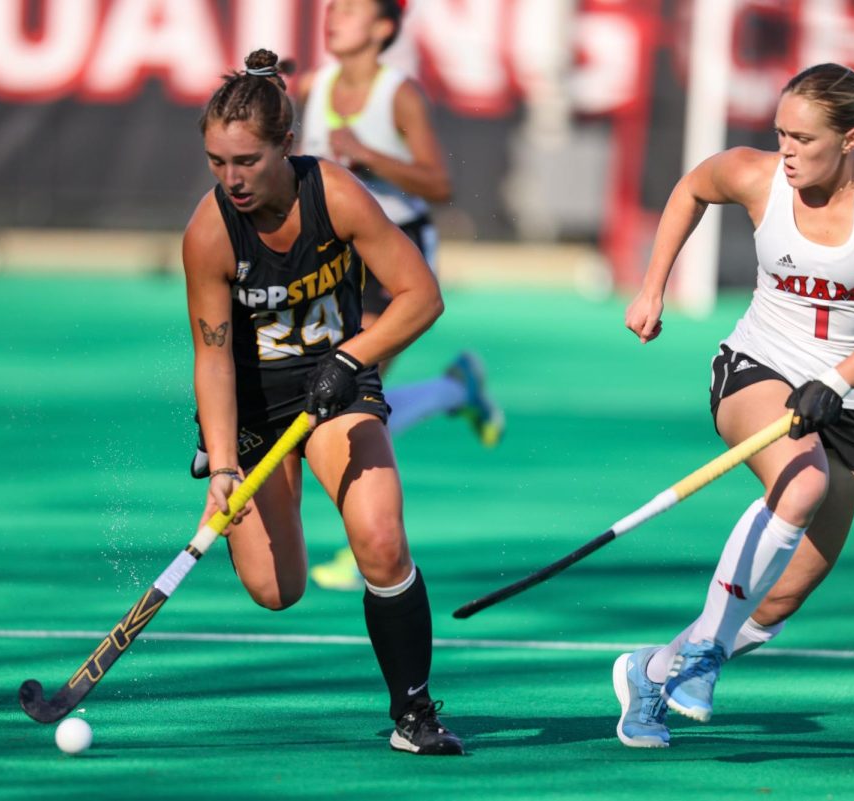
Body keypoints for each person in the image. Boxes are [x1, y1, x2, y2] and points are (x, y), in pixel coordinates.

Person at [183, 47, 464, 756]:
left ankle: (414, 710)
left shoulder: (332, 194)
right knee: (277, 590)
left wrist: (351, 356)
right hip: (254, 405)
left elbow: (421, 295)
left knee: (379, 536)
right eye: (217, 162)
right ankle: (231, 467)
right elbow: (213, 358)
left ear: (287, 145)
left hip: (338, 385)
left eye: (245, 161)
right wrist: (221, 465)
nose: (231, 179)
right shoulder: (210, 234)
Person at [614, 63, 854, 748]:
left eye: (802, 138)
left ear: (851, 138)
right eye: (780, 133)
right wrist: (653, 286)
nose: (786, 151)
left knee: (777, 600)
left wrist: (841, 379)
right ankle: (704, 656)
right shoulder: (755, 174)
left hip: (852, 398)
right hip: (757, 368)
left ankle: (652, 671)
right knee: (801, 485)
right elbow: (690, 189)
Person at [296, 0, 506, 591]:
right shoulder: (315, 85)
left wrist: (369, 155)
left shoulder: (399, 95)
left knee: (350, 397)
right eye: (332, 9)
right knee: (348, 397)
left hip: (395, 254)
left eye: (350, 10)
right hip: (335, 256)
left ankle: (364, 543)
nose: (333, 17)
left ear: (384, 28)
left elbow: (440, 183)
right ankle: (453, 389)